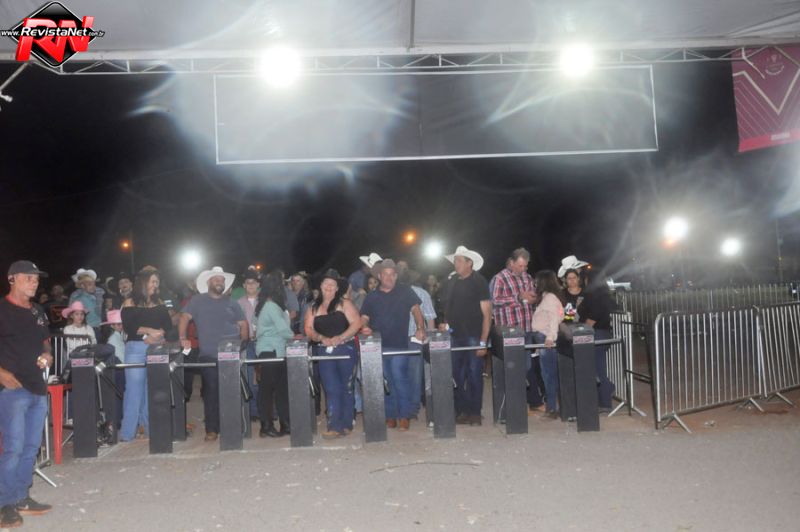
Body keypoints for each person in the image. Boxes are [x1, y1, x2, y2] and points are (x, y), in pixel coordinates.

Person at [0, 260, 53, 528]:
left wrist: (47, 355)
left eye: (36, 278)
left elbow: (45, 340)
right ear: (12, 279)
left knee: (32, 447)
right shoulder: (2, 309)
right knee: (14, 448)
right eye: (28, 277)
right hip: (12, 389)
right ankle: (5, 504)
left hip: (37, 387)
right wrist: (0, 373)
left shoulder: (37, 311)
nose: (34, 282)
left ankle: (21, 496)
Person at [179, 267, 247, 442]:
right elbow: (184, 317)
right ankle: (212, 429)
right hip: (208, 354)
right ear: (208, 282)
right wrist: (182, 338)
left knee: (231, 391)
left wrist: (243, 342)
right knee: (211, 391)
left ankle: (231, 426)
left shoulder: (232, 302)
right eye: (217, 279)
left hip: (230, 353)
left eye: (222, 280)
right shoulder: (197, 300)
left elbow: (243, 323)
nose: (220, 282)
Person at [360, 259, 426, 431]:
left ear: (396, 276)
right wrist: (364, 327)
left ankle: (404, 415)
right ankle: (390, 415)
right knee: (386, 380)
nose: (389, 277)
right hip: (378, 345)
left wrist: (420, 328)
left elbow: (416, 309)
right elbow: (364, 317)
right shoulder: (372, 296)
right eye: (385, 274)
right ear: (379, 276)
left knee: (399, 376)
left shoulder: (405, 291)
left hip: (399, 344)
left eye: (392, 274)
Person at [305, 270, 363, 439]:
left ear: (337, 288)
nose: (329, 286)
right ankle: (334, 425)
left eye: (333, 284)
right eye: (326, 283)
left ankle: (346, 423)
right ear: (320, 286)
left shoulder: (345, 303)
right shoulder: (313, 307)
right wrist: (320, 338)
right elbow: (308, 328)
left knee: (346, 386)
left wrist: (341, 337)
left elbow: (356, 323)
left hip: (346, 348)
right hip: (324, 351)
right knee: (330, 388)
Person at [441, 246, 492, 426]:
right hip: (455, 335)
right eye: (455, 261)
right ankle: (462, 410)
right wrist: (446, 325)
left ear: (469, 263)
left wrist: (483, 342)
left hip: (473, 336)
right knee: (456, 375)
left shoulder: (479, 281)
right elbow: (448, 308)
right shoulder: (452, 281)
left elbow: (487, 314)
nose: (456, 264)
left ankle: (475, 412)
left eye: (459, 261)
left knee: (474, 374)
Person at [491, 248, 545, 412]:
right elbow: (494, 301)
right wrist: (518, 297)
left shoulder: (527, 278)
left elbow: (533, 297)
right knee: (513, 366)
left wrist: (533, 298)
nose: (523, 269)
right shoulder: (500, 278)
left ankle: (526, 400)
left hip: (526, 328)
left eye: (525, 266)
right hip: (509, 331)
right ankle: (518, 403)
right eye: (520, 265)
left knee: (526, 365)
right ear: (512, 262)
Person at [120, 269, 171, 441]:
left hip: (156, 347)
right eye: (152, 281)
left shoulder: (159, 302)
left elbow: (168, 325)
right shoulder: (130, 302)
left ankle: (150, 429)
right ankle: (127, 433)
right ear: (143, 283)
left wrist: (158, 335)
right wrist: (149, 332)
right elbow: (129, 327)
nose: (156, 285)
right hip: (135, 348)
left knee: (152, 389)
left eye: (157, 281)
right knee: (134, 390)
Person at [559, 255, 616, 411]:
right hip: (595, 332)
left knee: (597, 367)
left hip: (597, 333)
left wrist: (582, 331)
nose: (577, 274)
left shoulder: (593, 292)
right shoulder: (593, 291)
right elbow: (573, 316)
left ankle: (605, 400)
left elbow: (594, 315)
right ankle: (603, 397)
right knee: (595, 367)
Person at [254, 271, 295, 438]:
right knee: (267, 390)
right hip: (270, 350)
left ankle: (285, 424)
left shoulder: (267, 305)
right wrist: (295, 336)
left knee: (280, 389)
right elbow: (283, 329)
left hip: (276, 350)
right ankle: (266, 425)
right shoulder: (271, 306)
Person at [530, 270, 565, 418]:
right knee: (548, 374)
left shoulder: (549, 298)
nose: (535, 284)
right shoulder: (547, 297)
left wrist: (550, 337)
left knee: (549, 375)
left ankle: (553, 408)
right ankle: (553, 406)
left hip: (546, 339)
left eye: (537, 281)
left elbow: (553, 318)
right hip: (543, 340)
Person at [237, 269, 261, 420]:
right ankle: (253, 411)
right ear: (244, 285)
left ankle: (269, 411)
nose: (251, 285)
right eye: (248, 283)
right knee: (249, 376)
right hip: (248, 343)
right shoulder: (238, 303)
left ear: (258, 284)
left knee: (267, 377)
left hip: (264, 343)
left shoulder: (266, 301)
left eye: (253, 282)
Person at [68, 268, 105, 333]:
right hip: (87, 330)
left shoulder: (99, 293)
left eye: (94, 284)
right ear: (82, 286)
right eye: (90, 284)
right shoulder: (78, 298)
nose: (93, 287)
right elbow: (72, 315)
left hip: (99, 328)